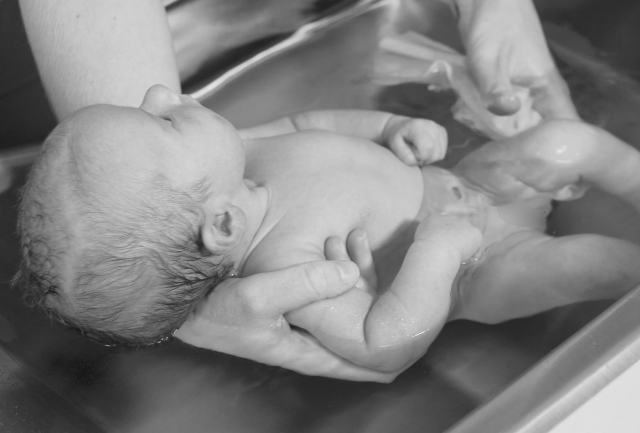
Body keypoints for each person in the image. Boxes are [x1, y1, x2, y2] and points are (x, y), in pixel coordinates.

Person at [17, 0, 578, 380]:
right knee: (585, 266)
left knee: (565, 147)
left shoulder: (243, 156)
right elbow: (384, 342)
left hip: (464, 181)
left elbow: (309, 126)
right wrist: (441, 253)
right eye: (163, 120)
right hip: (483, 263)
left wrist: (386, 130)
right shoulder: (290, 269)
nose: (163, 94)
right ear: (225, 226)